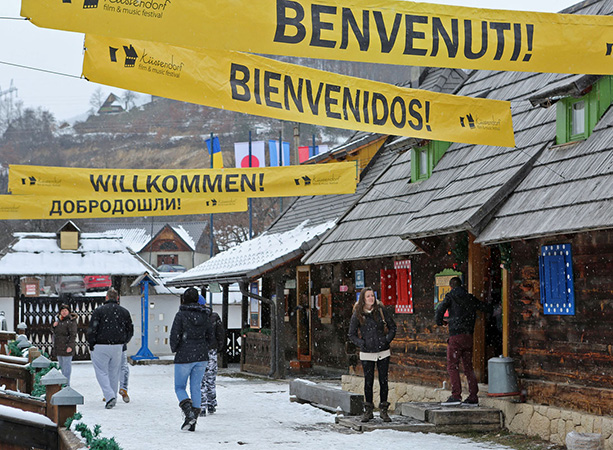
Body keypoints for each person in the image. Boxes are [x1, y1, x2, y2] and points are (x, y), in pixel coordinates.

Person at [435, 276, 489, 407]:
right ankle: (473, 396)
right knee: (468, 367)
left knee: (452, 366)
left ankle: (456, 395)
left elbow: (439, 310)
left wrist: (440, 322)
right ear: (462, 285)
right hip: (468, 336)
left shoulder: (450, 296)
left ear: (451, 287)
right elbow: (484, 307)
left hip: (455, 336)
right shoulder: (470, 297)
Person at [348, 287, 396, 423]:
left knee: (383, 381)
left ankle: (384, 410)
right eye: (368, 296)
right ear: (363, 298)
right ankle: (368, 410)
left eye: (372, 296)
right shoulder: (357, 314)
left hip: (383, 351)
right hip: (367, 352)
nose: (371, 298)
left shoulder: (381, 311)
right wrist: (362, 343)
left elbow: (393, 327)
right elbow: (351, 334)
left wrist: (386, 340)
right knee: (368, 382)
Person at [170, 287, 213, 431]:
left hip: (184, 356)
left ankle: (188, 414)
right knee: (196, 387)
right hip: (201, 356)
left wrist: (175, 348)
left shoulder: (181, 315)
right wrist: (203, 347)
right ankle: (193, 421)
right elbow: (211, 337)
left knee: (179, 387)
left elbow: (175, 335)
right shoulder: (205, 316)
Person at [87, 288, 134, 410]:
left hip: (101, 344)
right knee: (114, 372)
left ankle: (109, 396)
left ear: (106, 297)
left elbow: (92, 328)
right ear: (117, 298)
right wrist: (124, 341)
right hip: (118, 346)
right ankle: (112, 396)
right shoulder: (124, 312)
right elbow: (130, 329)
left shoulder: (99, 311)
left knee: (101, 371)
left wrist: (91, 342)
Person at [198, 286, 226, 417]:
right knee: (211, 378)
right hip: (212, 351)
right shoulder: (214, 317)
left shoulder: (195, 318)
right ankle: (212, 403)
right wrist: (217, 347)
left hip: (198, 351)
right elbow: (221, 334)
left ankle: (201, 405)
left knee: (200, 379)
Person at [52, 303, 78, 385]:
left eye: (65, 311)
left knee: (66, 368)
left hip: (67, 347)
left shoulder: (71, 321)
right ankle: (63, 383)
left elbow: (73, 335)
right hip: (59, 347)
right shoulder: (58, 320)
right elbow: (55, 333)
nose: (64, 312)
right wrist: (53, 326)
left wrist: (70, 346)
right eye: (62, 311)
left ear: (69, 312)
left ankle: (66, 384)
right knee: (62, 366)